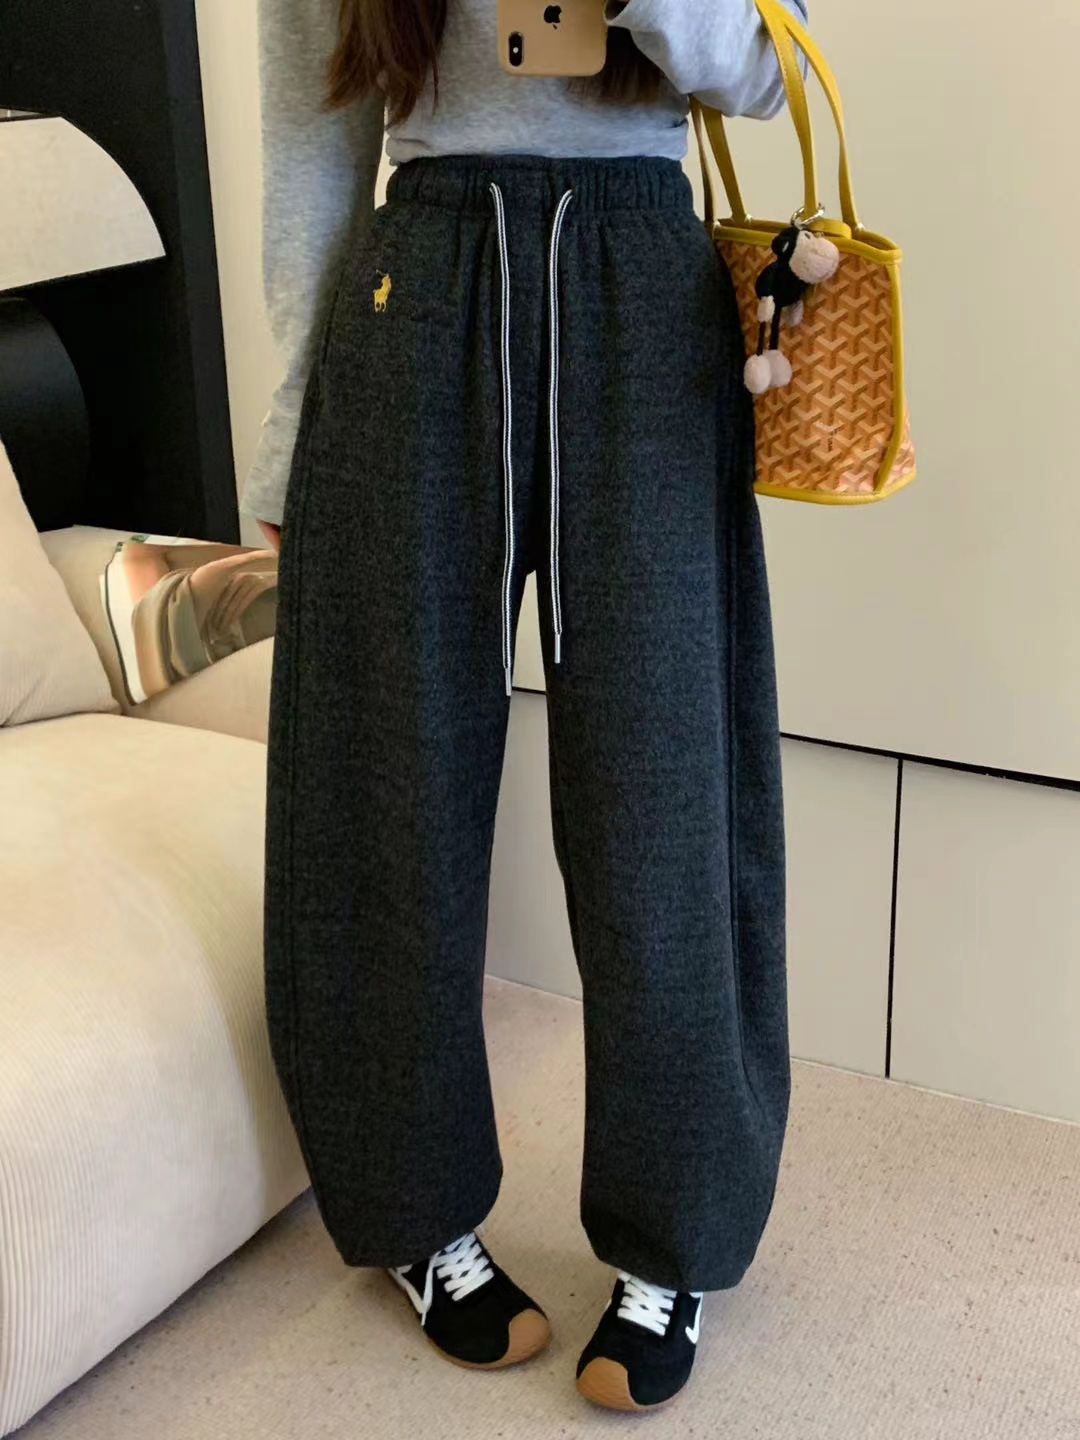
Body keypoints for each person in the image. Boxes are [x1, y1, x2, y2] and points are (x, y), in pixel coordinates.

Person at [241, 0, 801, 1413]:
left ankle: (672, 1243)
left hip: (644, 288)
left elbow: (764, 76)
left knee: (662, 793)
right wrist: (290, 442)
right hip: (418, 287)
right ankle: (414, 1212)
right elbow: (311, 137)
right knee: (390, 781)